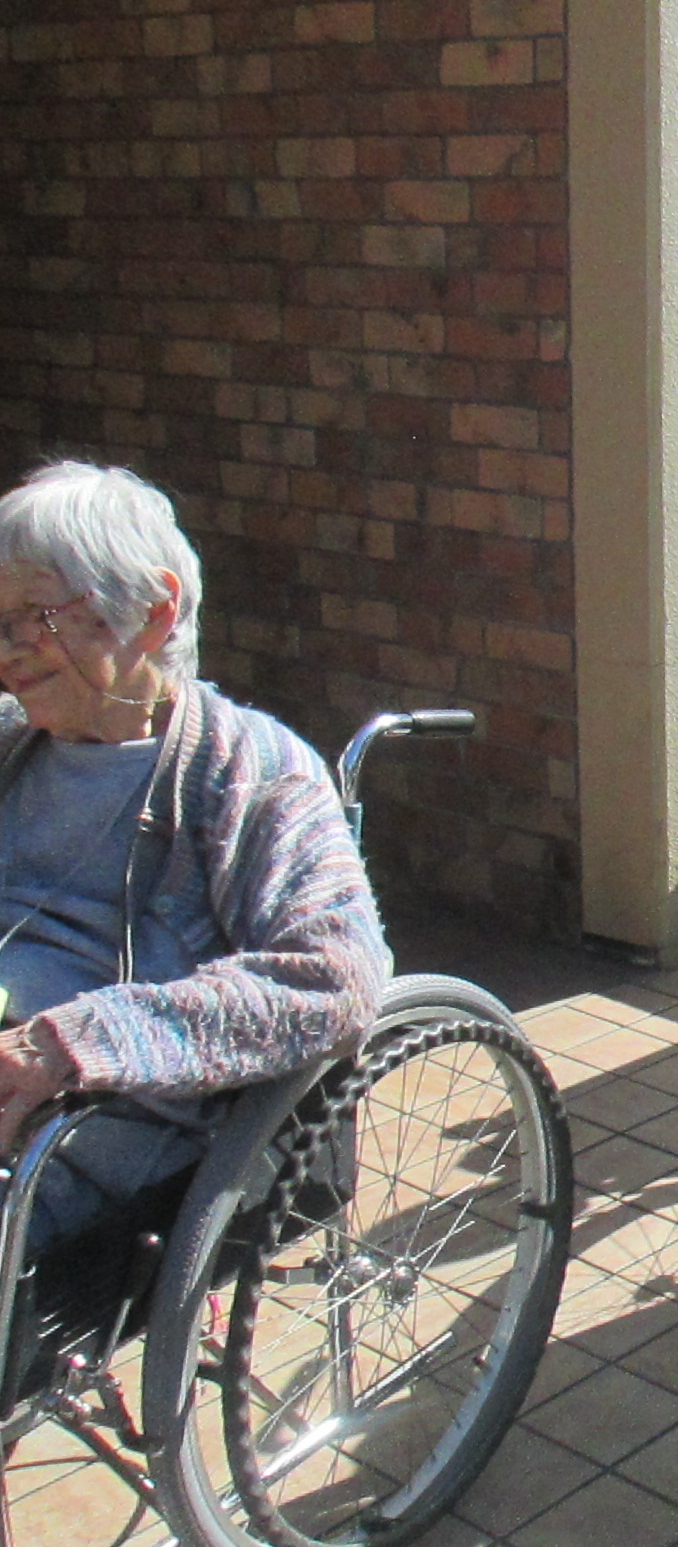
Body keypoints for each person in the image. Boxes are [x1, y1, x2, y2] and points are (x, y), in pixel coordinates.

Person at [0, 461, 389, 1259]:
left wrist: (73, 1043)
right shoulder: (11, 741)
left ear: (152, 612)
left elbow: (333, 979)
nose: (8, 648)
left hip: (96, 1123)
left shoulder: (251, 771)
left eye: (35, 614)